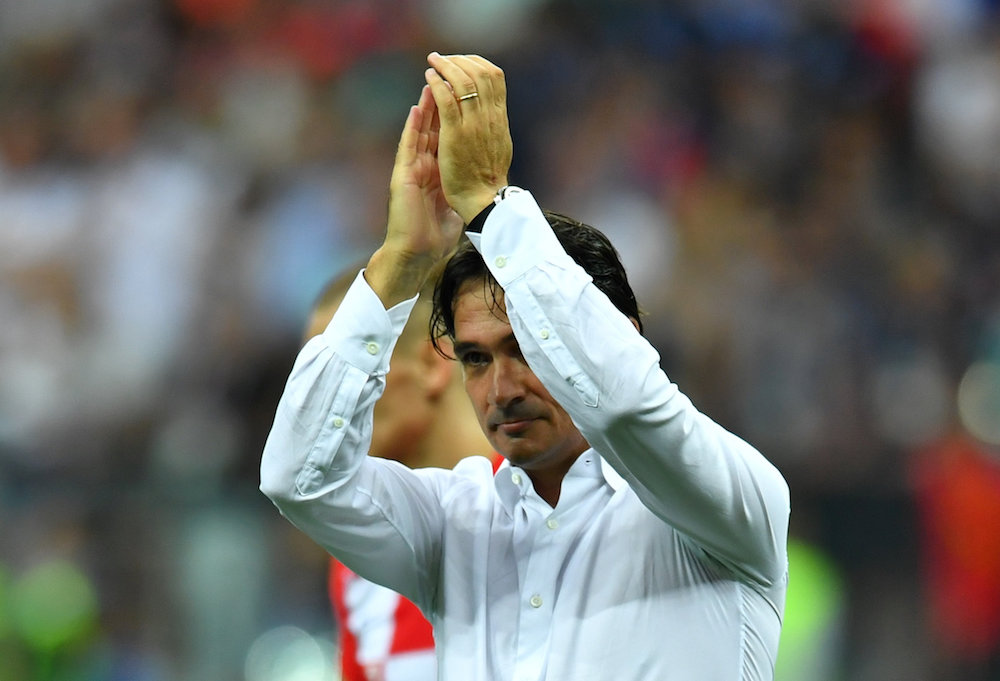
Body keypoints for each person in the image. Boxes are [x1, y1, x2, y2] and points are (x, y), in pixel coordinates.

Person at [261, 52, 790, 679]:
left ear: (622, 332)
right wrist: (402, 258)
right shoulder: (455, 522)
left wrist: (492, 207)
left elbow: (624, 405)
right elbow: (299, 479)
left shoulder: (723, 505)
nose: (501, 388)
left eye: (525, 348)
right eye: (477, 359)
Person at [304, 266, 494, 681]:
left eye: (346, 369)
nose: (325, 402)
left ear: (430, 364)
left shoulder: (543, 499)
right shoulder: (356, 554)